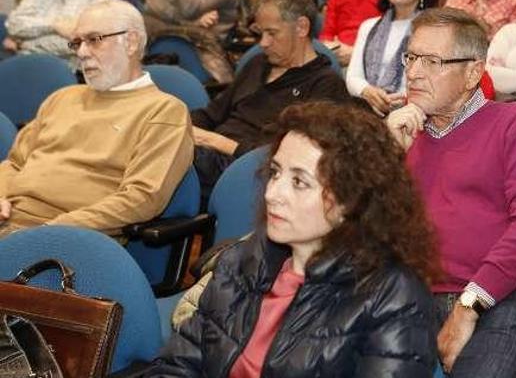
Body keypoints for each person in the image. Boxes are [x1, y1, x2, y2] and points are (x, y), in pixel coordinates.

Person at [154, 101, 438, 377]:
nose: (272, 194)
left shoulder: (395, 297)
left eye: (299, 182)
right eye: (276, 173)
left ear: (350, 201)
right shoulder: (242, 261)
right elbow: (178, 365)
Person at [385, 8, 516, 377]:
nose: (414, 72)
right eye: (412, 57)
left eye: (432, 61)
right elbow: (361, 238)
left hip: (507, 298)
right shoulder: (400, 135)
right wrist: (385, 159)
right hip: (415, 296)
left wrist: (469, 305)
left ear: (472, 72)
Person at [0, 0, 193, 239]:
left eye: (94, 40)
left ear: (131, 42)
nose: (81, 52)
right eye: (77, 42)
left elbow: (142, 197)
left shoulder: (163, 111)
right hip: (9, 224)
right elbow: (15, 163)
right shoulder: (61, 98)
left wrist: (51, 231)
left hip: (70, 241)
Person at [192, 0, 348, 199]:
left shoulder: (325, 84)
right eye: (260, 33)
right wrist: (178, 125)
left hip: (248, 172)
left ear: (301, 27)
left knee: (167, 156)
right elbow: (212, 113)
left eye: (272, 33)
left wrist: (214, 141)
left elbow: (289, 156)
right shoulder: (257, 64)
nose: (263, 43)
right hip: (209, 156)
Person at [347, 0, 439, 115]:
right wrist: (368, 91)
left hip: (414, 113)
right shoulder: (369, 26)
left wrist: (396, 100)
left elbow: (433, 85)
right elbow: (353, 77)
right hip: (367, 109)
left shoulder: (432, 31)